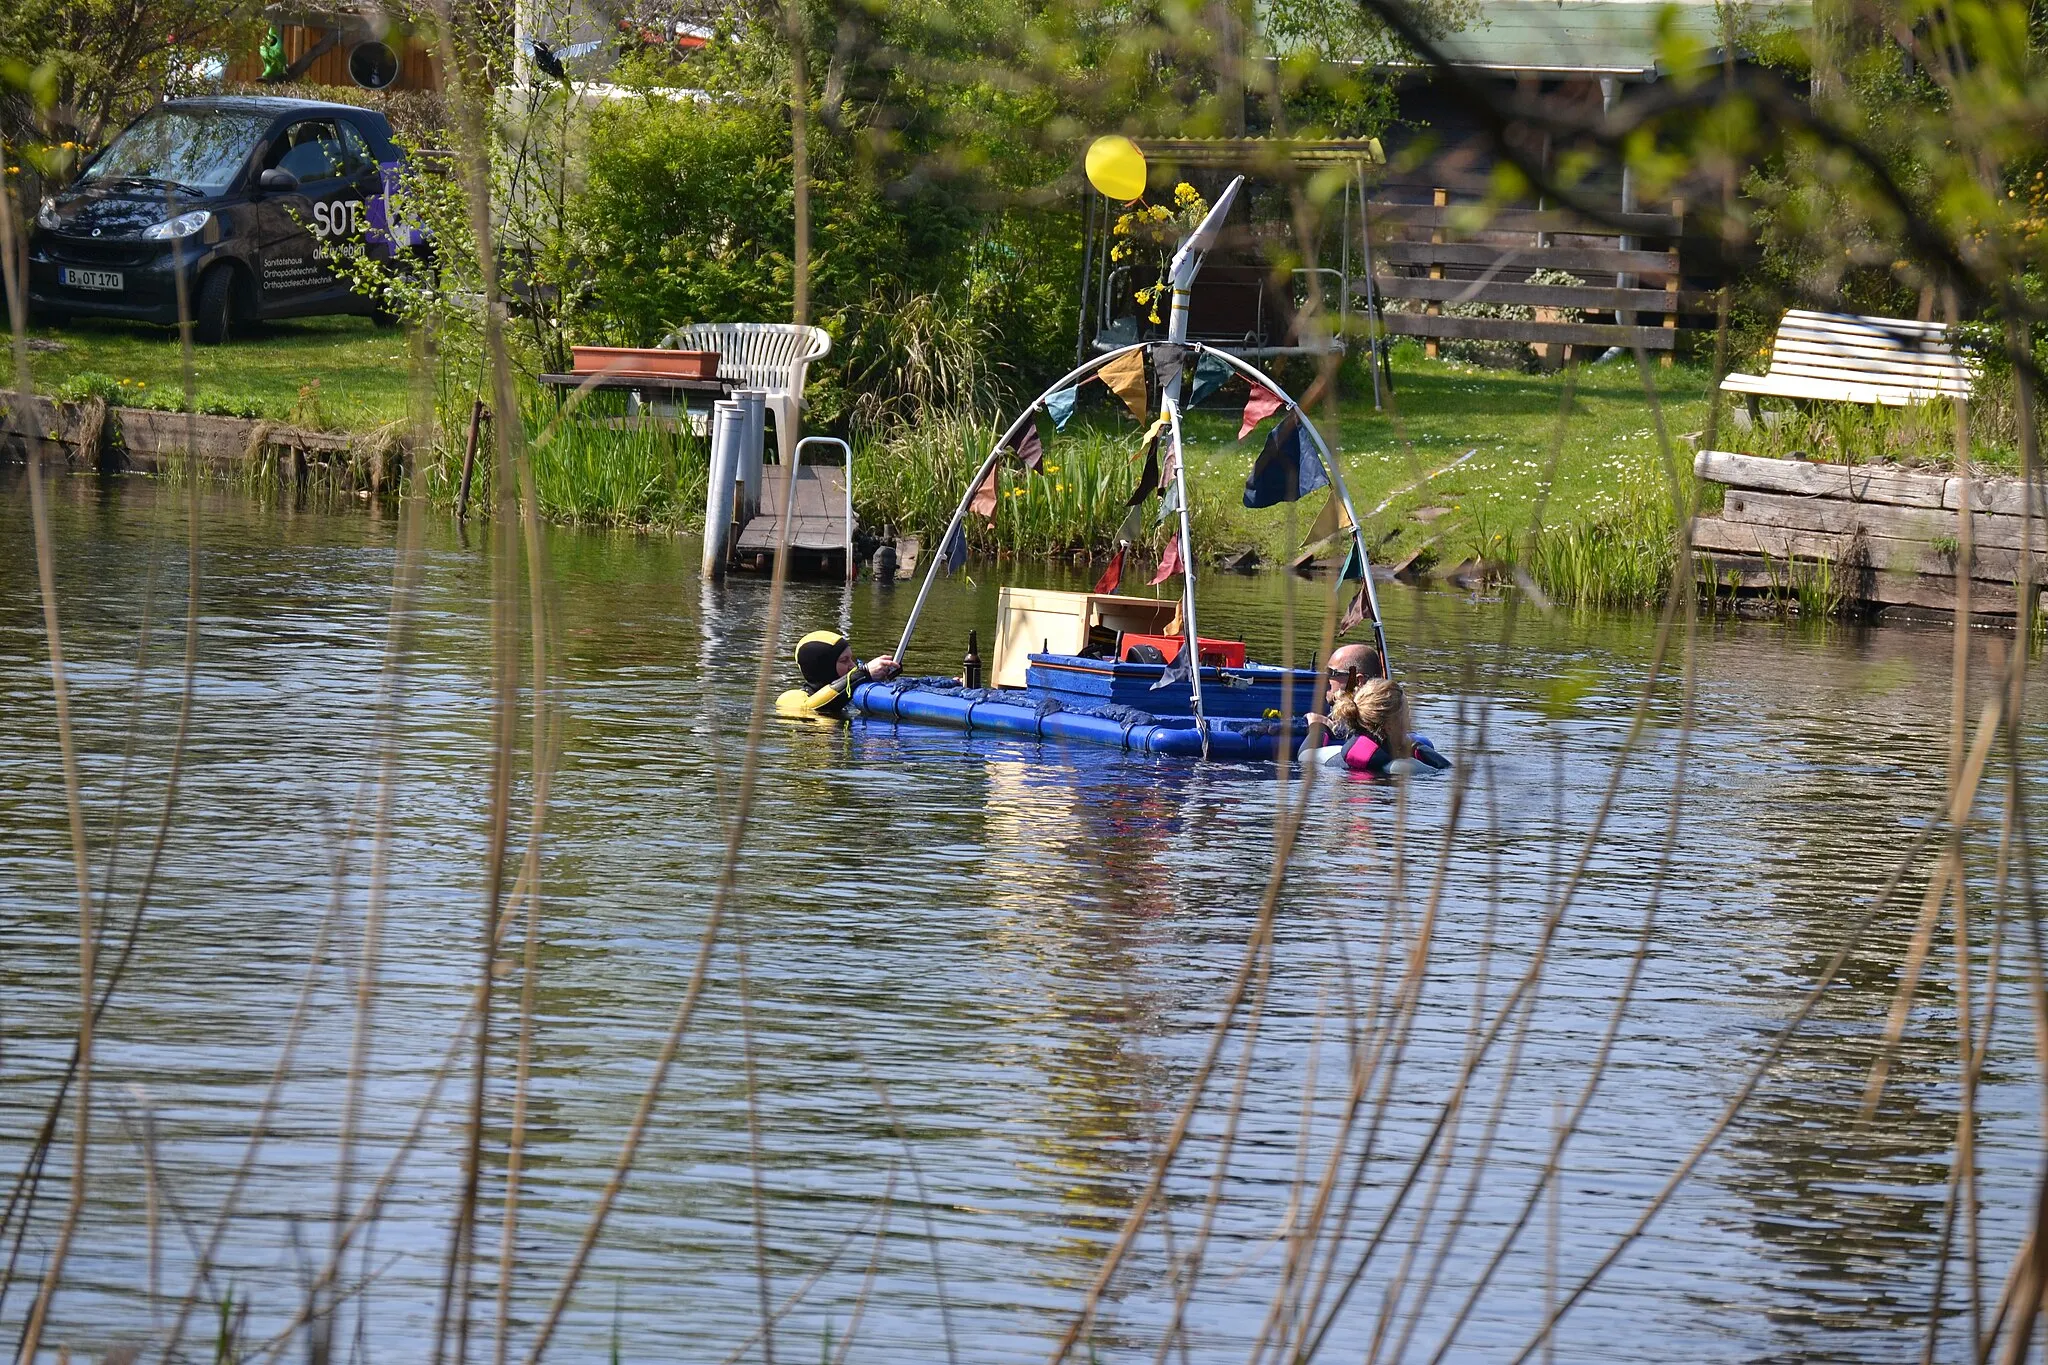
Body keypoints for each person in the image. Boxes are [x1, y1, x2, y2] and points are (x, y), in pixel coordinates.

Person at [776, 630, 902, 718]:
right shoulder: (790, 698)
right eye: (844, 660)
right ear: (823, 666)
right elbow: (815, 707)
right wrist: (863, 673)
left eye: (851, 659)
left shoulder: (851, 698)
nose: (852, 666)